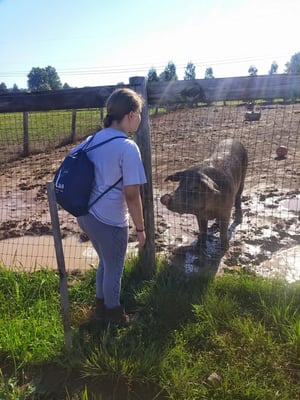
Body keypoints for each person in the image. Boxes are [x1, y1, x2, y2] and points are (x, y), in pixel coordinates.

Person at [77, 88, 146, 325]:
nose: (140, 118)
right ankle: (114, 316)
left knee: (105, 262)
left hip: (87, 215)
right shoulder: (128, 148)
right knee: (115, 268)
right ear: (130, 115)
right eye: (139, 113)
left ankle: (100, 305)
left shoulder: (92, 139)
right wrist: (140, 229)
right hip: (111, 221)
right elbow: (132, 194)